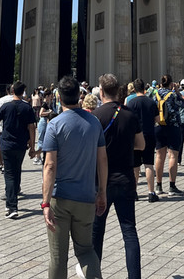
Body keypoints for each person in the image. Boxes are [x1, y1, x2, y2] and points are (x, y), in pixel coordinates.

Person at [41, 75, 107, 279]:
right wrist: (101, 193)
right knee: (86, 250)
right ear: (79, 95)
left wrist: (45, 203)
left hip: (60, 199)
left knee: (58, 257)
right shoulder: (94, 123)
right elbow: (102, 160)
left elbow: (50, 166)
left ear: (58, 97)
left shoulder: (54, 125)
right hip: (86, 197)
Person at [92, 74, 144, 279]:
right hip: (125, 179)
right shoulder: (129, 115)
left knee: (96, 233)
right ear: (118, 91)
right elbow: (141, 145)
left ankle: (94, 274)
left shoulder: (95, 116)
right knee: (129, 232)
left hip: (100, 182)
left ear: (101, 92)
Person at [0, 81, 37, 219]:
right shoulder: (27, 108)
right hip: (21, 145)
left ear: (11, 91)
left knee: (9, 174)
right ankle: (13, 198)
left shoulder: (5, 106)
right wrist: (32, 147)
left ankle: (11, 206)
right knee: (16, 171)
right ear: (23, 91)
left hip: (6, 144)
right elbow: (32, 128)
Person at [154, 74, 184, 196]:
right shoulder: (173, 95)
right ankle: (172, 186)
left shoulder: (155, 94)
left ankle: (158, 185)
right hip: (173, 127)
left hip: (158, 126)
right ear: (171, 84)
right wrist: (178, 92)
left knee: (159, 155)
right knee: (172, 156)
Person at [127, 79, 158, 203]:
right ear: (144, 88)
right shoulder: (151, 102)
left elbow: (128, 120)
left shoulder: (131, 103)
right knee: (149, 164)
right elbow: (157, 118)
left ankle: (134, 192)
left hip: (135, 137)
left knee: (135, 166)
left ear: (134, 89)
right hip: (149, 135)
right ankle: (151, 192)